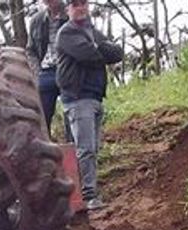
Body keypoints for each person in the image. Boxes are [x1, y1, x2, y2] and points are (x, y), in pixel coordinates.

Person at [56, 0, 123, 211]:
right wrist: (100, 47)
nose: (81, 7)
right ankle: (88, 196)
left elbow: (117, 53)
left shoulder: (91, 31)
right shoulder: (67, 32)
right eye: (75, 4)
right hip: (78, 98)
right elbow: (89, 55)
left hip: (95, 96)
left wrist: (98, 46)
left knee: (92, 148)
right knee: (85, 149)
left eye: (83, 3)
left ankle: (86, 194)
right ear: (68, 9)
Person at [26, 0, 68, 138]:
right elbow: (31, 50)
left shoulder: (71, 14)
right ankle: (45, 145)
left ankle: (75, 147)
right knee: (42, 116)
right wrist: (36, 71)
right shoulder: (36, 20)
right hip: (45, 72)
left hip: (68, 71)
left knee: (72, 112)